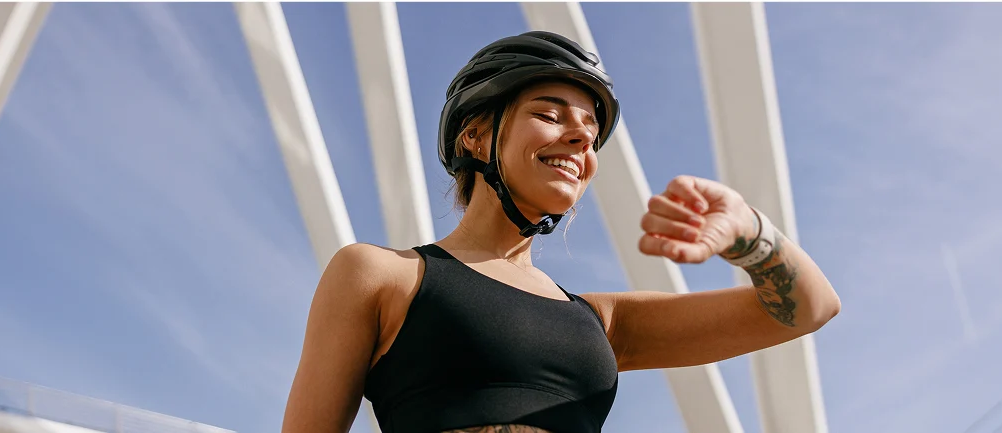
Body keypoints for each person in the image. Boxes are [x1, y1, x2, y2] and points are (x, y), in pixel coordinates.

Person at [281, 30, 841, 433]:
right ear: (474, 137)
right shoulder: (379, 274)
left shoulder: (599, 321)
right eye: (550, 114)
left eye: (591, 132)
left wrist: (750, 233)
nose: (581, 139)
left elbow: (806, 309)